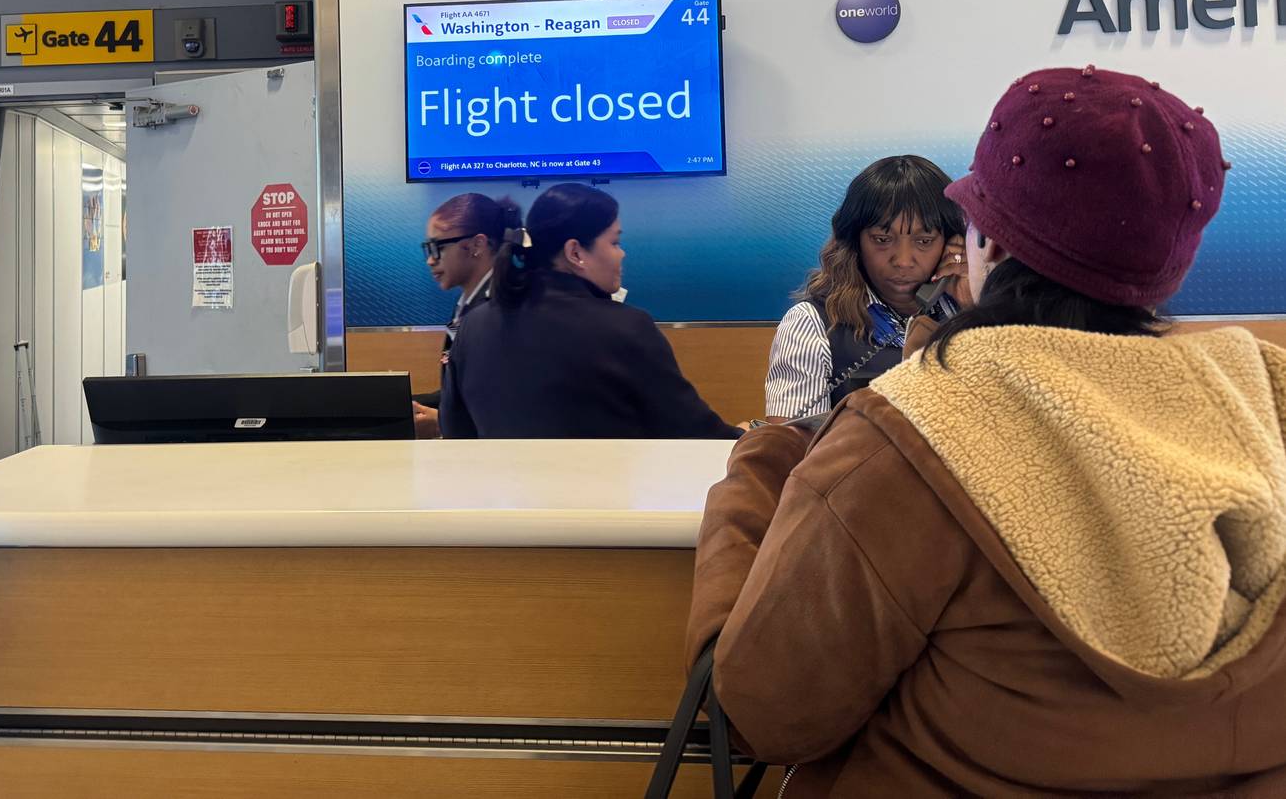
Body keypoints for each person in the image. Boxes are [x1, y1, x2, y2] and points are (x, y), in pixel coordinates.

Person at [686, 66, 1286, 796]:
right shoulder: (1262, 399)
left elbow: (764, 714)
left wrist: (757, 470)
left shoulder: (904, 436)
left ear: (987, 246)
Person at [443, 183, 737, 439]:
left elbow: (456, 431)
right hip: (606, 503)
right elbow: (693, 432)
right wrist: (750, 437)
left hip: (500, 502)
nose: (622, 254)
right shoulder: (627, 328)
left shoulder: (472, 327)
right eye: (615, 242)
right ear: (575, 253)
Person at [765, 155, 966, 418]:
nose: (903, 261)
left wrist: (975, 306)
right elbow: (790, 446)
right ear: (854, 241)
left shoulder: (967, 311)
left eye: (924, 241)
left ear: (952, 244)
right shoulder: (811, 324)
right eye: (882, 239)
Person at [410, 192, 519, 439]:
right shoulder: (469, 305)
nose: (430, 260)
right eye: (428, 248)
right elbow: (464, 390)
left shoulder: (500, 312)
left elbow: (505, 405)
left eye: (438, 247)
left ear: (477, 245)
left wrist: (441, 422)